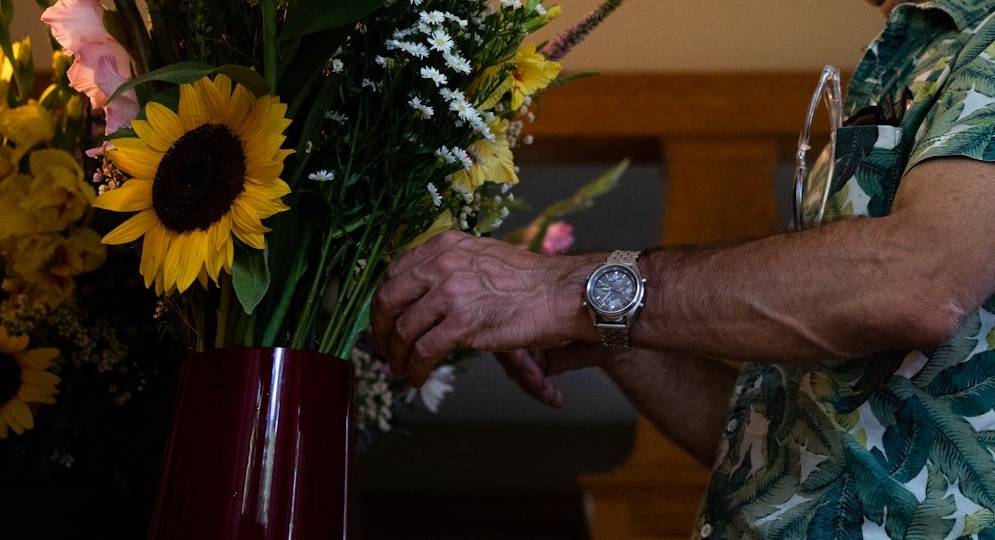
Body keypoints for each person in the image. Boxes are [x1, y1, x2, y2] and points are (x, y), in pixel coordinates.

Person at [370, 0, 995, 537]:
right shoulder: (910, 57)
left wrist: (571, 288)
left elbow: (921, 280)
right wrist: (615, 334)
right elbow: (799, 451)